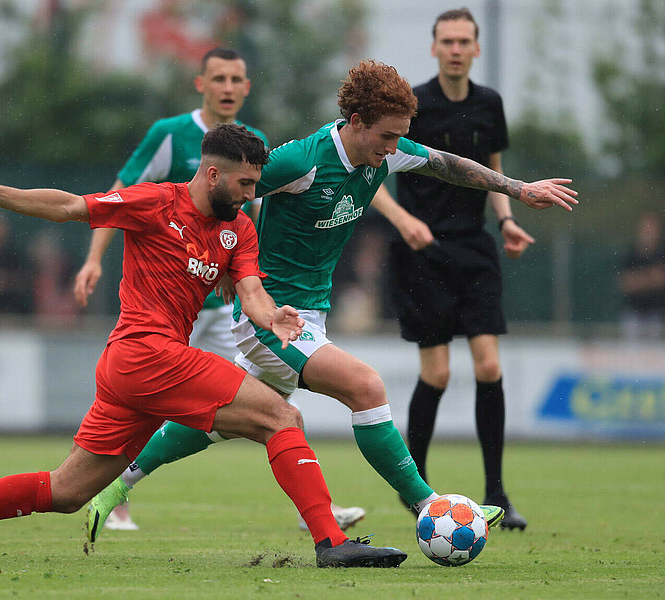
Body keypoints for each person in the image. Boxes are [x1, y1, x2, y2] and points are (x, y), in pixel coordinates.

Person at [0, 124, 406, 568]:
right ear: (212, 173)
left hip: (139, 372)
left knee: (66, 492)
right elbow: (69, 208)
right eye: (244, 183)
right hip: (143, 353)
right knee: (280, 418)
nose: (251, 195)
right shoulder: (156, 203)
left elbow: (253, 295)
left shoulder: (239, 229)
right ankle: (331, 544)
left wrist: (276, 318)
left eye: (256, 184)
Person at [86, 59, 577, 542]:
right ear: (356, 122)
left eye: (399, 137)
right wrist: (226, 262)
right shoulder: (301, 160)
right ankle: (431, 505)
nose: (392, 149)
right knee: (365, 386)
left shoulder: (384, 152)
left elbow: (448, 166)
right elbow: (228, 192)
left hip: (309, 313)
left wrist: (516, 187)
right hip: (270, 315)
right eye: (386, 136)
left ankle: (116, 486)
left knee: (227, 419)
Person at [73, 46, 365, 532]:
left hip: (231, 302)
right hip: (173, 302)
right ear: (201, 84)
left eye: (237, 79)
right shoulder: (169, 135)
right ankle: (116, 485)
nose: (228, 87)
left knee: (264, 409)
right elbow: (117, 195)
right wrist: (92, 259)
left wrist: (238, 271)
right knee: (266, 410)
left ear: (247, 88)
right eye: (220, 78)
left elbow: (247, 215)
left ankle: (119, 483)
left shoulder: (254, 145)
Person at [370, 8, 531, 530]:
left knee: (489, 366)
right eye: (448, 40)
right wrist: (403, 221)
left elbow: (494, 169)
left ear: (476, 49)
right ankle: (415, 483)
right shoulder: (411, 107)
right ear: (434, 47)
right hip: (422, 254)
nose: (457, 48)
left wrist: (506, 218)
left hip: (475, 247)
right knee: (436, 373)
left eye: (466, 40)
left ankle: (498, 495)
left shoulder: (490, 105)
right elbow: (371, 173)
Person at [619, 211, 665, 341]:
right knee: (631, 357)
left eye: (652, 226)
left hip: (657, 313)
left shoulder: (664, 252)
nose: (649, 230)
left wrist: (638, 279)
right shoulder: (631, 252)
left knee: (656, 356)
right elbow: (625, 282)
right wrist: (650, 277)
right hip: (633, 312)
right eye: (646, 226)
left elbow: (663, 280)